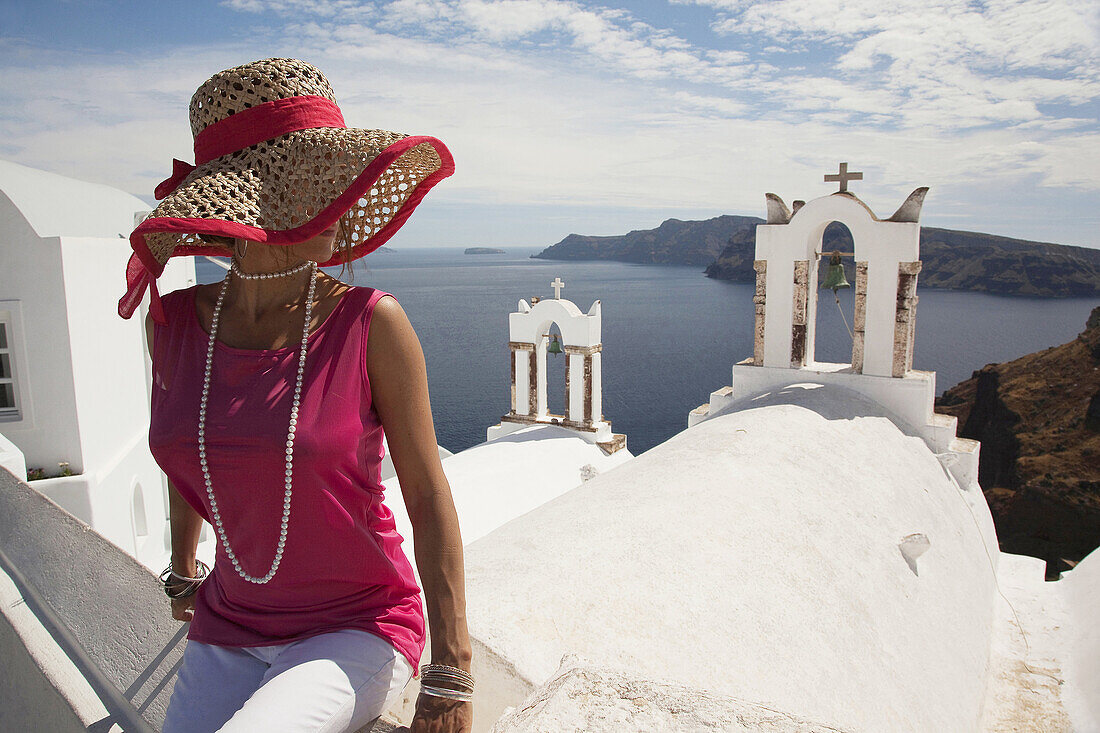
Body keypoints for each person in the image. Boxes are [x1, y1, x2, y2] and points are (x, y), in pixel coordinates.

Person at [118, 58, 472, 733]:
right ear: (259, 197)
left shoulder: (372, 322)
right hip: (226, 621)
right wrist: (183, 569)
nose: (340, 194)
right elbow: (193, 447)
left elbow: (428, 495)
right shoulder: (175, 324)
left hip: (357, 624)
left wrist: (452, 671)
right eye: (317, 178)